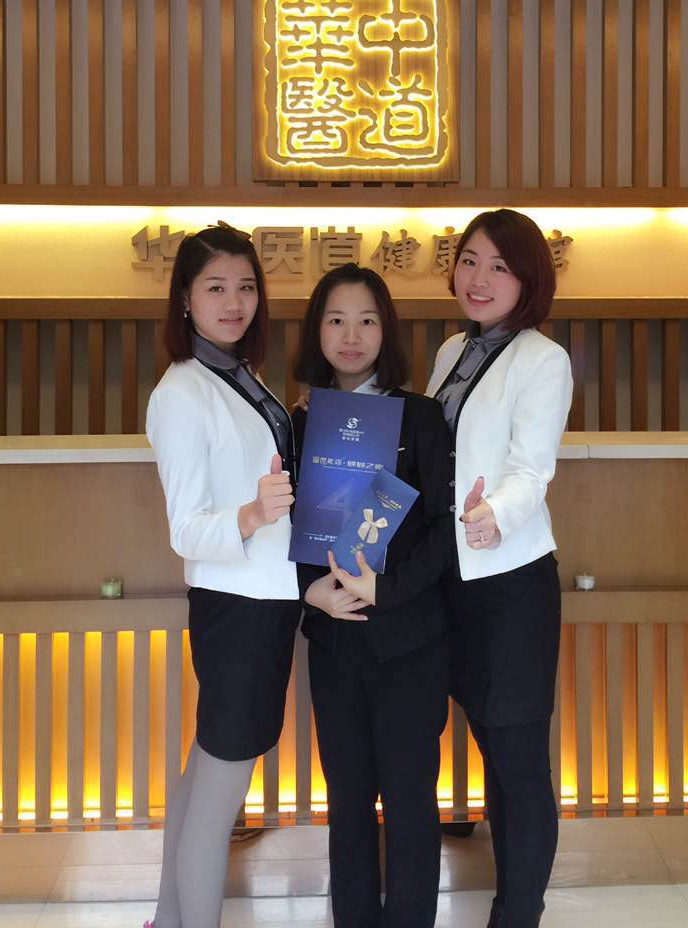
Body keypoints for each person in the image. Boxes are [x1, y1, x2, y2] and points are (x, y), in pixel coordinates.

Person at [144, 223, 301, 928]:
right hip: (238, 612)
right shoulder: (182, 392)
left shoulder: (238, 375)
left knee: (204, 778)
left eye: (245, 287)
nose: (234, 302)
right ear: (185, 299)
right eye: (215, 288)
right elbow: (186, 530)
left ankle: (168, 919)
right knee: (216, 801)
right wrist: (251, 514)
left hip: (261, 604)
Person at [293, 263, 455, 928]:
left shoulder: (421, 417)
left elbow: (444, 532)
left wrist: (385, 591)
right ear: (317, 331)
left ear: (385, 330)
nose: (351, 335)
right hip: (335, 643)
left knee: (411, 802)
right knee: (348, 802)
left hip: (411, 642)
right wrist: (310, 593)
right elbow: (284, 530)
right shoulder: (299, 423)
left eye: (366, 320)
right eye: (336, 320)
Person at [426, 209, 573, 928]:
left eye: (499, 266)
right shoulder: (451, 350)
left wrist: (496, 514)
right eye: (469, 260)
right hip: (450, 584)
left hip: (510, 584)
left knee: (517, 763)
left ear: (528, 279)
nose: (478, 278)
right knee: (488, 743)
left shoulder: (543, 360)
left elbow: (531, 469)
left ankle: (517, 914)